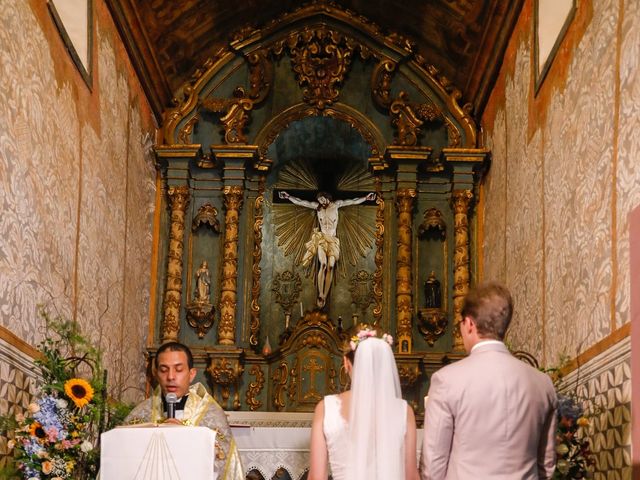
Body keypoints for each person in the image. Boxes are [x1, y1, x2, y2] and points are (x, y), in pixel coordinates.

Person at [420, 283, 557, 479]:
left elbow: (433, 468)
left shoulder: (447, 380)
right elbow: (547, 465)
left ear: (469, 324)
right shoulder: (543, 383)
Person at [308, 329, 419, 480]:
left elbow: (316, 477)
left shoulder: (326, 408)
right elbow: (411, 475)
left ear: (346, 363)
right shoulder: (404, 411)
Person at [125, 342, 244, 479]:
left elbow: (224, 461)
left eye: (179, 369)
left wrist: (187, 437)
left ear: (191, 374)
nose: (170, 377)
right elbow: (124, 458)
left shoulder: (210, 413)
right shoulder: (141, 413)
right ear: (156, 374)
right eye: (164, 370)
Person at [279, 190, 376, 307]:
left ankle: (325, 294)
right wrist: (288, 196)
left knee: (330, 266)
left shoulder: (336, 205)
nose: (321, 202)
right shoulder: (318, 207)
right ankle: (321, 293)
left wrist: (366, 198)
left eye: (322, 200)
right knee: (323, 265)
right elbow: (301, 202)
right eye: (319, 201)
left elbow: (352, 201)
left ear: (327, 197)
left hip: (333, 241)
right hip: (322, 239)